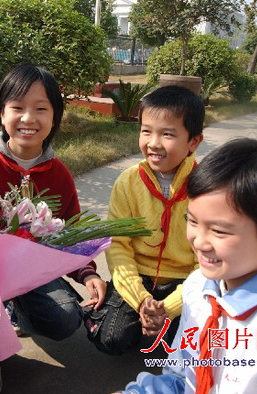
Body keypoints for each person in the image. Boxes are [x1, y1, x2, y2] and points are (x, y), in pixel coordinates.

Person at [116, 137, 257, 393]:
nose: (199, 242)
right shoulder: (198, 287)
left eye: (219, 231)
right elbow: (181, 378)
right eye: (193, 221)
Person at [0, 63, 107, 392]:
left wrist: (88, 273)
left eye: (41, 108)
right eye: (18, 107)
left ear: (55, 116)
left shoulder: (60, 175)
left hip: (30, 275)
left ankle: (16, 310)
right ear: (1, 112)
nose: (28, 118)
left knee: (67, 318)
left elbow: (70, 236)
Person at [83, 85, 204, 355]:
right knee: (110, 340)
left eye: (168, 134)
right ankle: (131, 315)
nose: (153, 143)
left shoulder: (207, 187)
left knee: (190, 349)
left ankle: (165, 323)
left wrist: (170, 307)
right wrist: (140, 300)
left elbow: (207, 263)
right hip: (139, 277)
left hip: (185, 281)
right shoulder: (128, 181)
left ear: (193, 141)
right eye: (146, 130)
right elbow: (118, 246)